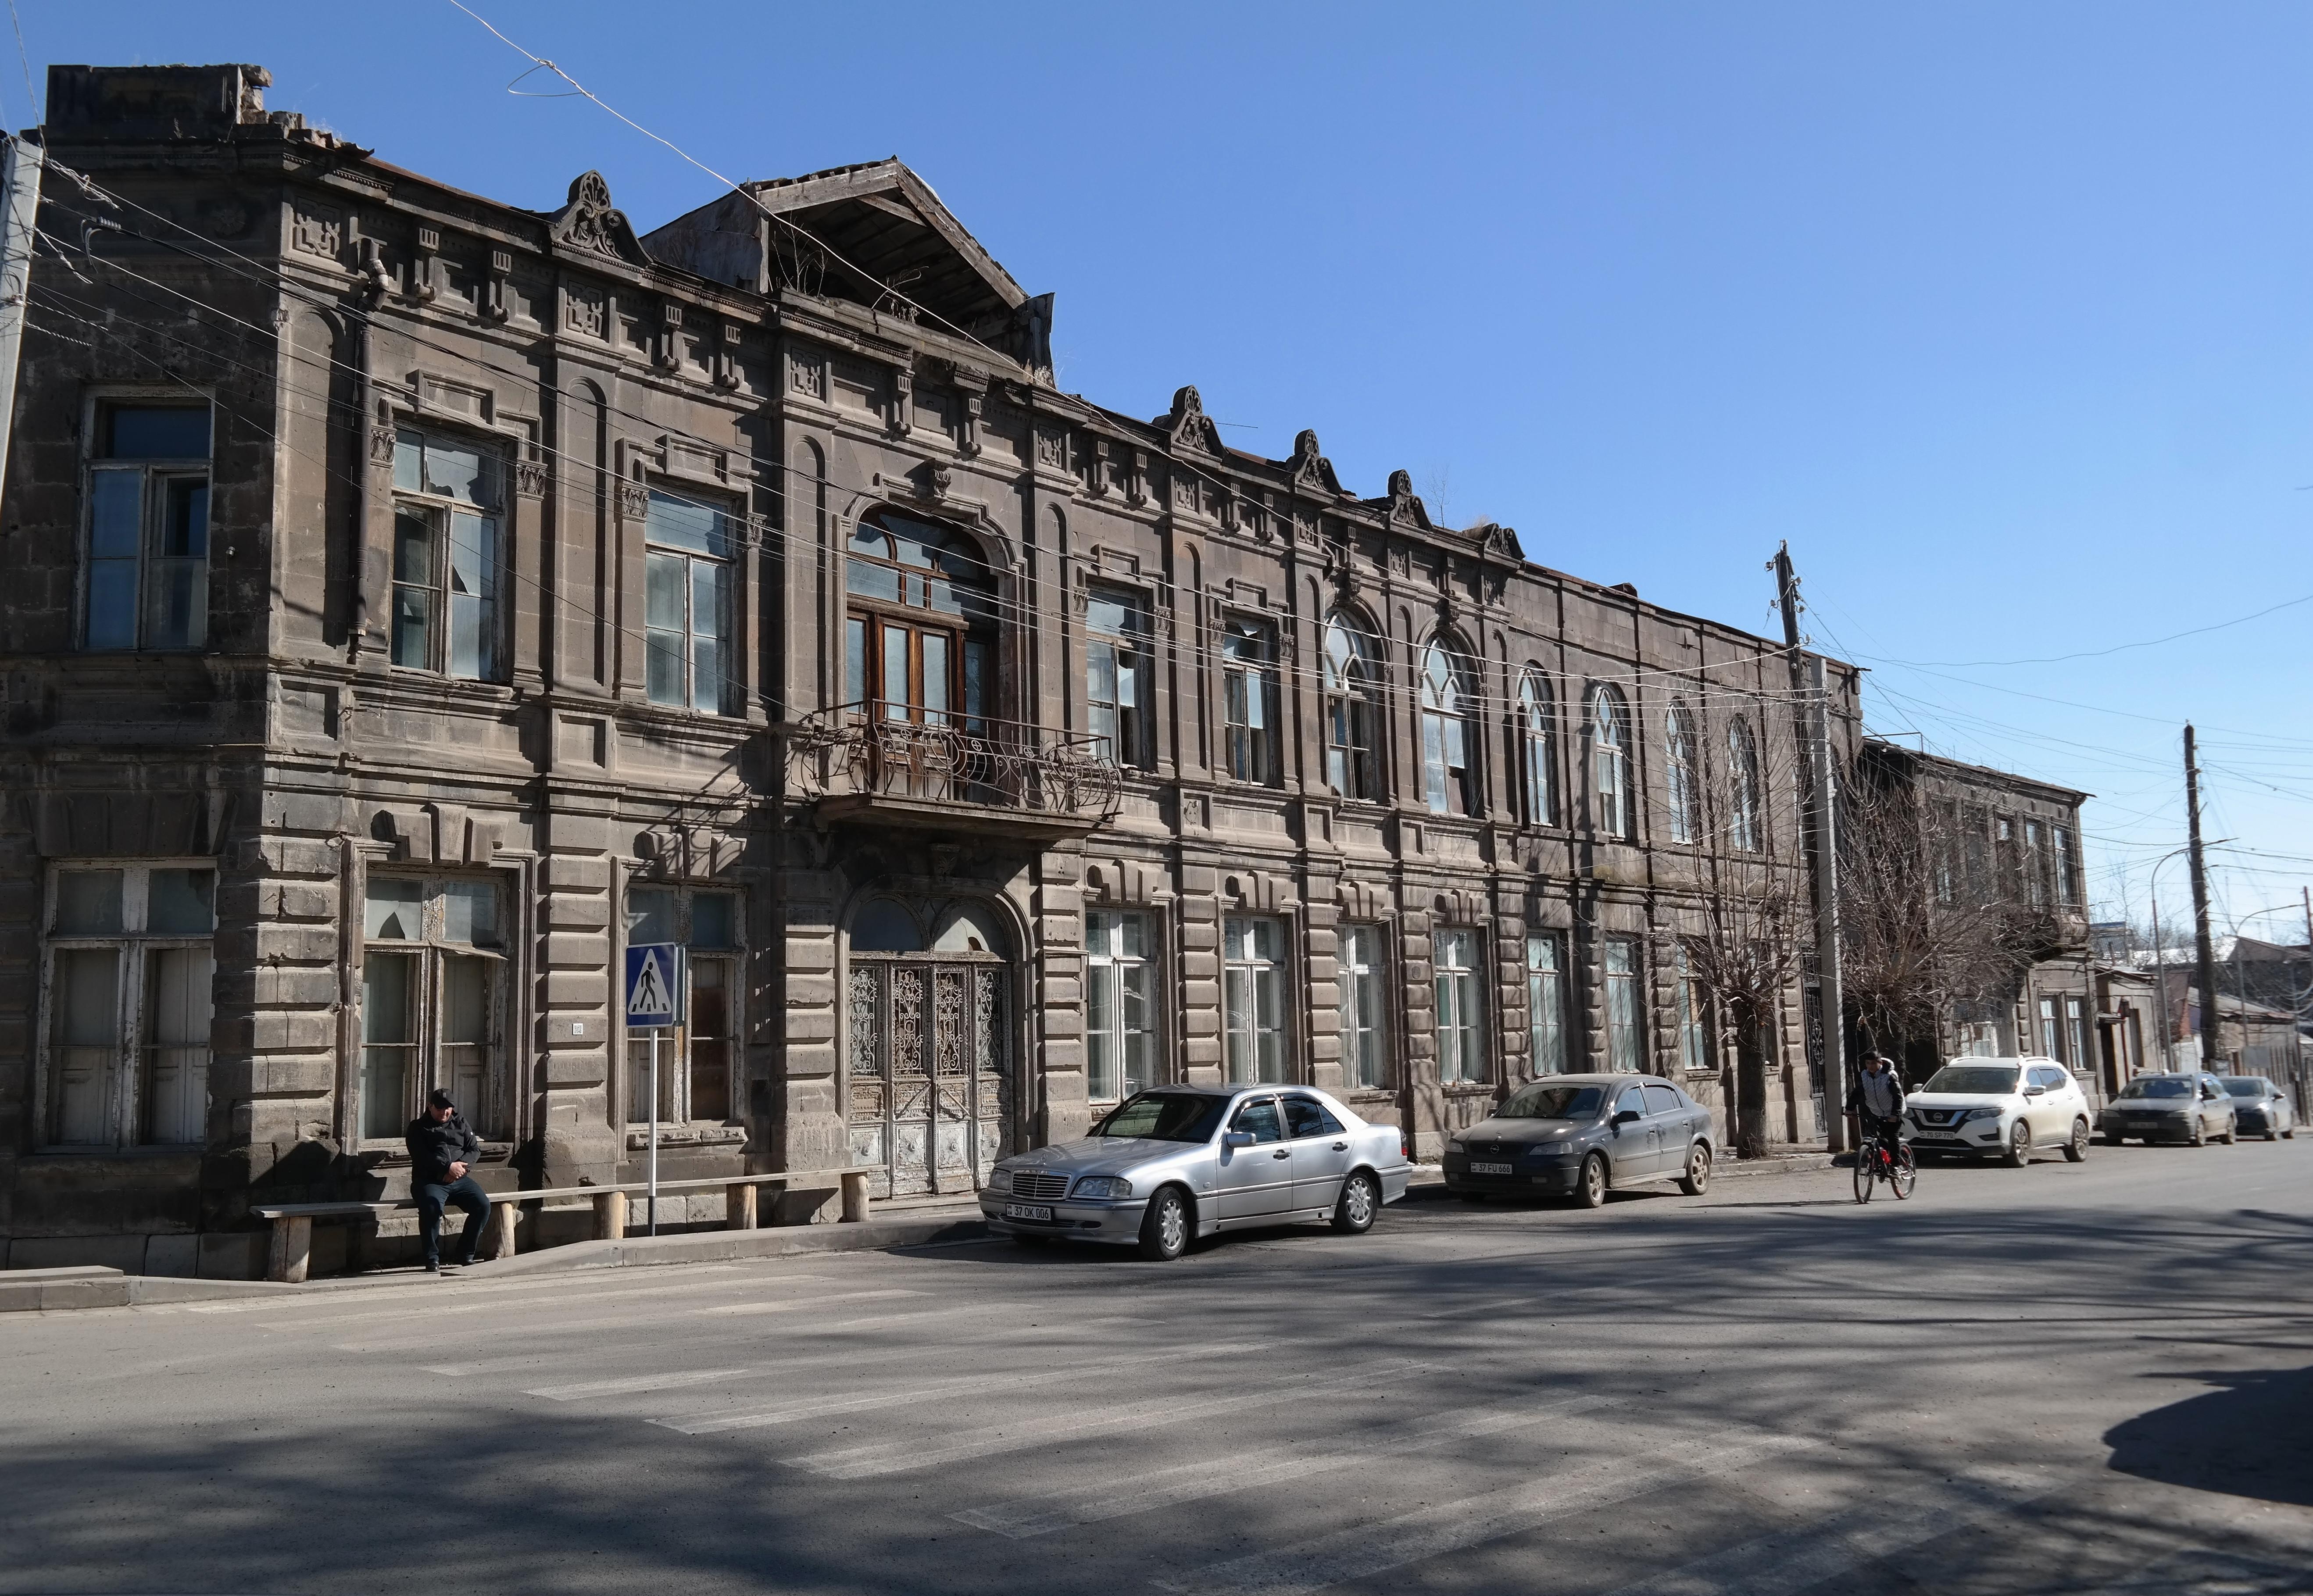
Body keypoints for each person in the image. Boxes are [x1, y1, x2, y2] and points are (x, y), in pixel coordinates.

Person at [406, 1089, 490, 1273]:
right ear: (430, 1106)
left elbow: (474, 1150)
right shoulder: (418, 1127)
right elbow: (421, 1155)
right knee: (432, 1208)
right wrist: (447, 1167)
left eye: (448, 1108)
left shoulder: (461, 1123)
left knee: (483, 1206)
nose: (444, 1112)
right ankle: (432, 1258)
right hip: (429, 1181)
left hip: (459, 1180)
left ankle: (465, 1253)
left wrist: (459, 1170)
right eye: (440, 1108)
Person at [1855, 1054, 1908, 1164]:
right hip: (1876, 1111)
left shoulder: (1889, 1076)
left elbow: (1898, 1096)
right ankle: (1882, 1163)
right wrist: (1849, 1108)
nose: (1871, 1066)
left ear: (1880, 1063)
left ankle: (1895, 1166)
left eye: (1874, 1063)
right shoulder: (1864, 1075)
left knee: (1892, 1137)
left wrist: (1895, 1114)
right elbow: (1858, 1092)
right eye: (1868, 1063)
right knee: (1879, 1138)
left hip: (1893, 1111)